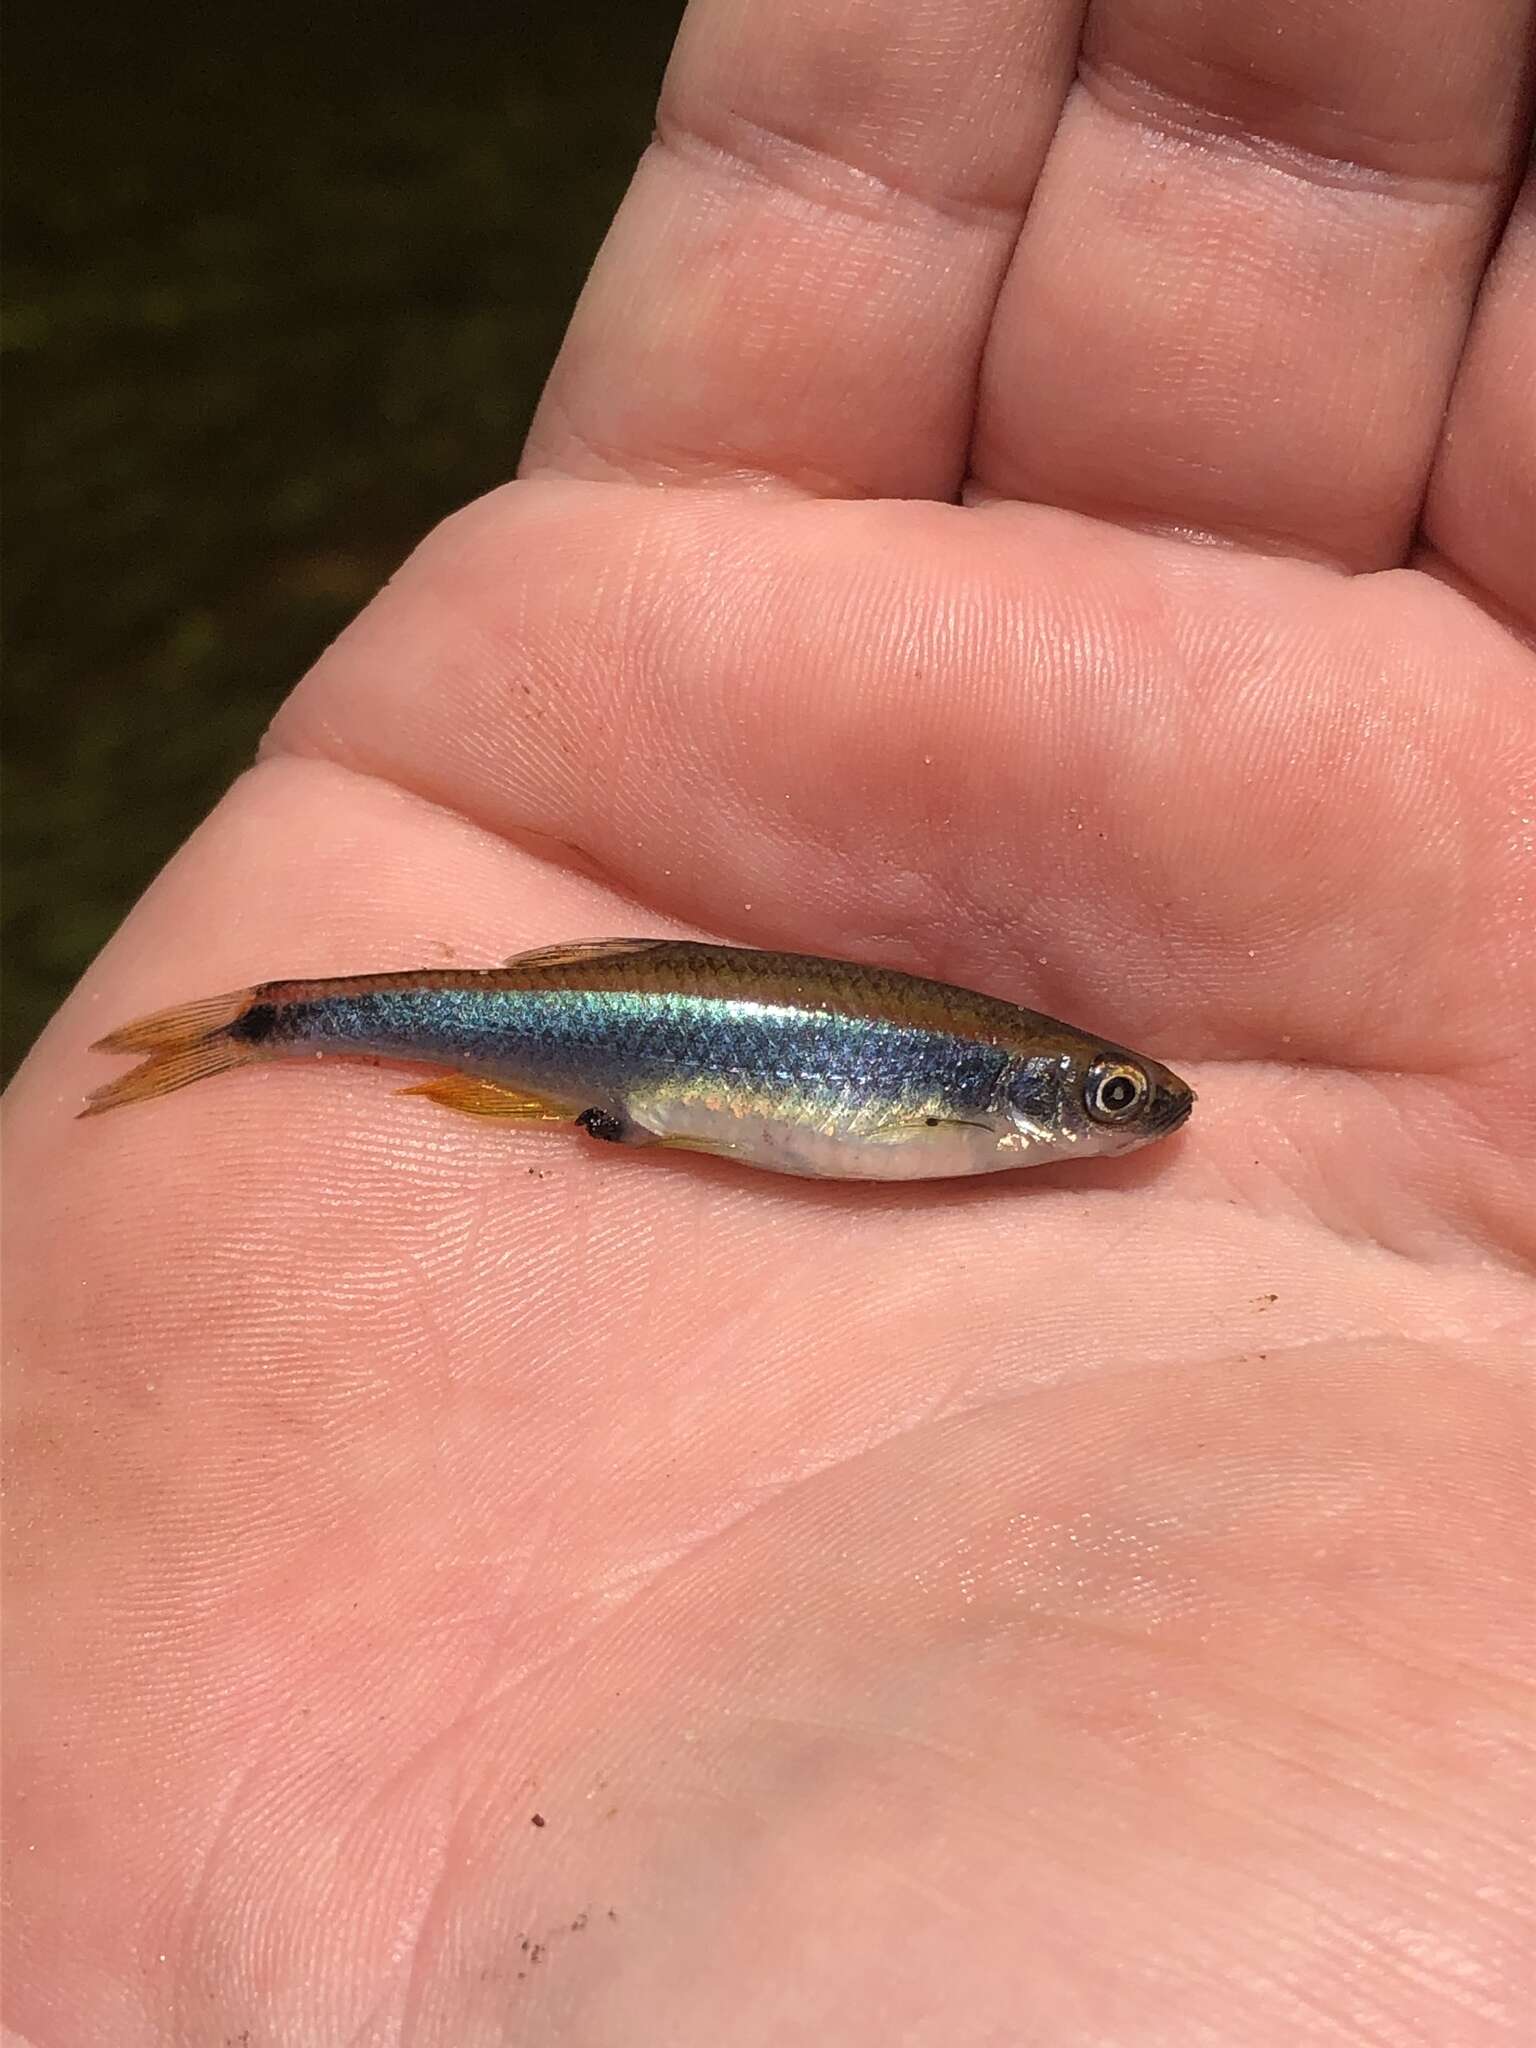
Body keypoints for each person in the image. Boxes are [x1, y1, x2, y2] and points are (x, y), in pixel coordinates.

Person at [5, 0, 1532, 2039]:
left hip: (607, 1065)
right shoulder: (951, 1094)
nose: (1120, 1114)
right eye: (1095, 1094)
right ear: (1010, 1088)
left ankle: (270, 1023)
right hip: (598, 1049)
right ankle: (273, 1024)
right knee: (418, 1035)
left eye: (1111, 1095)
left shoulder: (973, 1107)